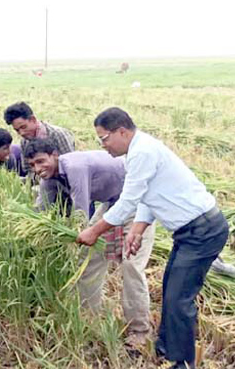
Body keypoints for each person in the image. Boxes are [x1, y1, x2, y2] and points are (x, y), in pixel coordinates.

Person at [75, 108, 230, 369]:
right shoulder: (136, 151)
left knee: (178, 299)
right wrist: (137, 230)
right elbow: (146, 197)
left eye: (104, 139)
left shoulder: (142, 152)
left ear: (122, 132)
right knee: (172, 290)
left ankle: (183, 362)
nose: (103, 146)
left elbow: (128, 202)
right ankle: (166, 349)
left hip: (203, 231)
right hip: (189, 232)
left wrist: (93, 231)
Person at [25, 138, 155, 346]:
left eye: (41, 161)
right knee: (88, 259)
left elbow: (81, 213)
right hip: (113, 203)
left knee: (131, 266)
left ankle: (140, 330)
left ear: (55, 155)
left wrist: (75, 236)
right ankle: (87, 319)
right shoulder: (48, 178)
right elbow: (42, 211)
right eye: (32, 165)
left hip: (138, 202)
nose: (38, 169)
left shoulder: (75, 167)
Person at [3, 101, 75, 175]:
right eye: (17, 130)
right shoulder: (24, 142)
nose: (21, 133)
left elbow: (71, 164)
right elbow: (28, 170)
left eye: (23, 127)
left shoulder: (58, 135)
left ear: (33, 119)